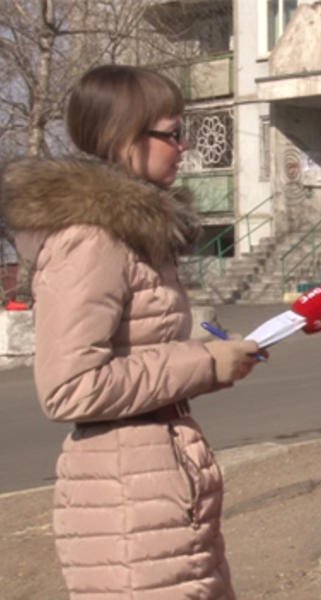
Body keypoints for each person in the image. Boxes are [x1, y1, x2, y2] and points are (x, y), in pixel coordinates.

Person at [0, 65, 263, 598]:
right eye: (172, 132)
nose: (184, 146)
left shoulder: (133, 237)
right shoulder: (91, 241)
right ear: (125, 138)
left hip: (155, 484)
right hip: (124, 496)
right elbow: (69, 386)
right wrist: (205, 364)